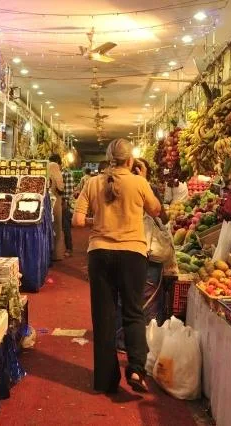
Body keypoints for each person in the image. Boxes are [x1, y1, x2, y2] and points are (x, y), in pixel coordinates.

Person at [73, 139, 162, 394]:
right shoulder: (138, 182)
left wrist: (100, 222)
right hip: (132, 254)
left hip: (100, 254)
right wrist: (143, 178)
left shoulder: (92, 183)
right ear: (130, 160)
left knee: (103, 317)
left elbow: (78, 220)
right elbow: (155, 210)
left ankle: (105, 380)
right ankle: (135, 368)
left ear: (109, 158)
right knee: (134, 313)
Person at [115, 157, 169, 351]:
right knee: (146, 296)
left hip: (122, 247)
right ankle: (145, 339)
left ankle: (122, 339)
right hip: (144, 250)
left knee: (125, 295)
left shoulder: (117, 188)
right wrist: (144, 181)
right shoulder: (146, 188)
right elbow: (160, 214)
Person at [48, 154, 65, 261]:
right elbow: (61, 188)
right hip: (55, 204)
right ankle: (56, 254)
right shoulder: (56, 169)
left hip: (45, 203)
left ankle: (47, 254)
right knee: (57, 228)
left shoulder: (45, 168)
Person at [62, 166, 75, 257]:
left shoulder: (66, 173)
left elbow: (69, 192)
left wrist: (65, 201)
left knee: (66, 227)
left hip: (64, 205)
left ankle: (69, 248)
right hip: (59, 204)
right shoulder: (63, 173)